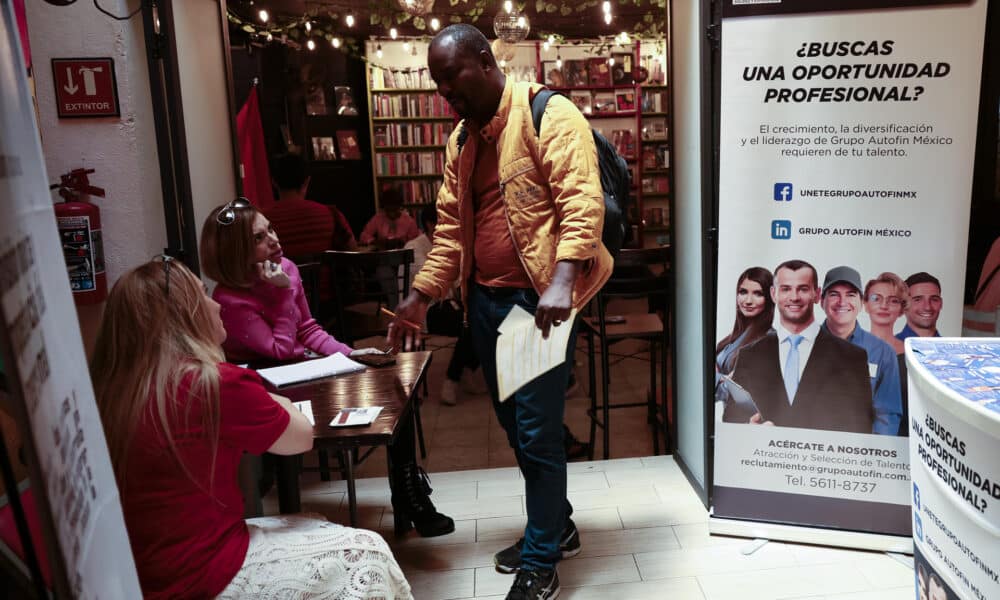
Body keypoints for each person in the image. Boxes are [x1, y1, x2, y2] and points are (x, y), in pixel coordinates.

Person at [386, 24, 613, 600]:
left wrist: (562, 281)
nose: (444, 92)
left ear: (485, 62)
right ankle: (554, 526)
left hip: (536, 304)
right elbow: (450, 235)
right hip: (485, 302)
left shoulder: (547, 114)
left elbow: (581, 201)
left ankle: (542, 560)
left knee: (536, 433)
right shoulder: (461, 142)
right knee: (514, 427)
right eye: (436, 82)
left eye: (450, 77)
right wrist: (421, 295)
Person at [90, 257, 413, 598]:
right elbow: (299, 435)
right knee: (366, 552)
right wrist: (281, 400)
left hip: (139, 573)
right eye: (204, 296)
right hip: (200, 572)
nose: (215, 305)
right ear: (185, 315)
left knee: (311, 520)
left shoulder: (112, 391)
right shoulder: (211, 381)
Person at [201, 198, 454, 538]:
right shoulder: (230, 299)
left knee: (395, 384)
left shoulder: (285, 268)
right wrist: (281, 296)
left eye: (270, 230)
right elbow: (279, 350)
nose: (274, 240)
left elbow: (307, 330)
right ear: (235, 252)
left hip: (303, 372)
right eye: (259, 238)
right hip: (271, 389)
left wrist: (352, 356)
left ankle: (407, 491)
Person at [729, 259, 872, 433]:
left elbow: (860, 427)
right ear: (774, 294)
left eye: (803, 289)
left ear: (817, 294)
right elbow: (731, 419)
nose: (794, 297)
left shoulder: (852, 357)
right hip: (763, 458)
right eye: (786, 289)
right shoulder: (749, 356)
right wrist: (748, 430)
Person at [407, 204, 485, 406]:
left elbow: (457, 283)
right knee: (471, 323)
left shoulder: (451, 246)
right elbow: (431, 285)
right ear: (430, 224)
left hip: (448, 305)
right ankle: (455, 377)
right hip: (425, 312)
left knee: (479, 317)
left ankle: (464, 371)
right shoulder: (414, 247)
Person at [820, 266, 902, 435]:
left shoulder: (883, 352)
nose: (842, 302)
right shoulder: (801, 345)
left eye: (850, 294)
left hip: (860, 452)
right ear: (822, 301)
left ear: (861, 302)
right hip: (811, 451)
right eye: (834, 294)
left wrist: (874, 454)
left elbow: (887, 414)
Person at [266, 153, 357, 254]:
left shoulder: (261, 219)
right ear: (307, 181)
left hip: (282, 270)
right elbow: (352, 252)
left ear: (274, 182)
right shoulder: (331, 214)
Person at [715, 267, 774, 414]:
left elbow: (736, 395)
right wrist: (724, 379)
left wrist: (716, 378)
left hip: (749, 424)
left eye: (758, 294)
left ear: (770, 297)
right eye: (743, 292)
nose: (748, 301)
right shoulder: (733, 338)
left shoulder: (768, 341)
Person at [864, 272, 911, 435]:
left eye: (893, 301)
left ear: (901, 310)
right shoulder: (848, 349)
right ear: (865, 305)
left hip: (902, 446)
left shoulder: (913, 356)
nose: (884, 306)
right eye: (876, 299)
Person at [896, 272, 943, 340]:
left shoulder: (955, 350)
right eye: (917, 300)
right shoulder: (886, 349)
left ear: (941, 303)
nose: (928, 307)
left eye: (934, 299)